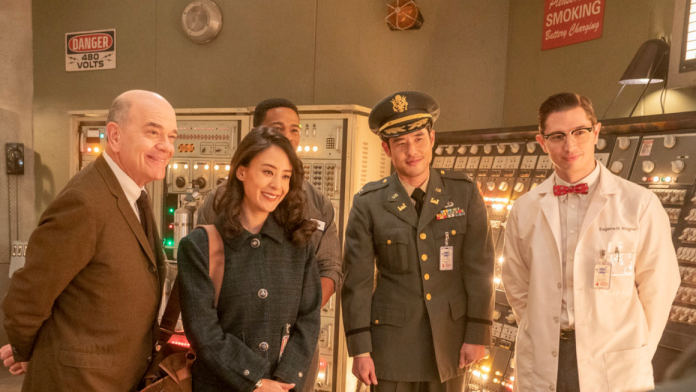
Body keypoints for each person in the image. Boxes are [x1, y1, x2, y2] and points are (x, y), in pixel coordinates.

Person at [502, 92, 681, 392]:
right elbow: (517, 286)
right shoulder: (525, 208)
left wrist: (635, 350)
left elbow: (659, 286)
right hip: (545, 358)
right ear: (542, 142)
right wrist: (545, 327)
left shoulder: (639, 204)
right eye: (557, 136)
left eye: (579, 132)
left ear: (596, 132)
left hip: (616, 362)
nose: (570, 145)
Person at [1, 90, 177, 390]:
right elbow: (27, 297)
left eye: (172, 136)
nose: (166, 146)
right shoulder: (84, 202)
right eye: (153, 132)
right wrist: (35, 353)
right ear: (115, 136)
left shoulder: (133, 195)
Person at [341, 91, 495, 392]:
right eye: (400, 143)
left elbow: (480, 269)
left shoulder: (463, 193)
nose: (412, 150)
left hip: (451, 342)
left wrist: (478, 333)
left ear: (432, 138)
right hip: (390, 348)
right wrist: (360, 349)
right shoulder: (369, 203)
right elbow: (356, 282)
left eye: (418, 139)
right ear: (387, 149)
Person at [197, 98, 341, 391]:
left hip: (294, 350)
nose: (288, 136)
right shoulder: (218, 201)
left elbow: (331, 268)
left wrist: (298, 311)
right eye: (278, 128)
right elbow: (202, 298)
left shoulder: (317, 205)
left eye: (294, 129)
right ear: (257, 134)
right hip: (230, 351)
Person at [177, 127, 322, 391]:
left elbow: (309, 319)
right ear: (241, 172)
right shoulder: (198, 246)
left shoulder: (299, 244)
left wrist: (282, 381)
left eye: (285, 176)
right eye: (268, 172)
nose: (277, 185)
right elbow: (204, 332)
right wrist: (255, 380)